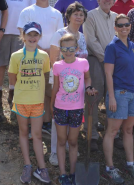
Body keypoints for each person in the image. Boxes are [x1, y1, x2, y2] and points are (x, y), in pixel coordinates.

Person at [17, 0, 64, 136]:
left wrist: (50, 52)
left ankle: (46, 123)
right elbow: (23, 33)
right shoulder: (27, 11)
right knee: (33, 91)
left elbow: (60, 37)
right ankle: (31, 125)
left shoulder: (56, 13)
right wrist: (39, 50)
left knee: (48, 92)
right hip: (31, 58)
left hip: (52, 58)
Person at [102, 14, 134, 183]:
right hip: (118, 94)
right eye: (120, 25)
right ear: (115, 28)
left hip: (133, 94)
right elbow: (108, 73)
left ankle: (129, 163)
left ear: (130, 26)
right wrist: (111, 97)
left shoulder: (133, 45)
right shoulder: (112, 47)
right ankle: (109, 168)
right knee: (112, 131)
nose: (124, 27)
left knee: (128, 130)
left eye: (126, 24)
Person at [50, 33, 97, 185]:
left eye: (71, 48)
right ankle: (63, 173)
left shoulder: (83, 63)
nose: (68, 51)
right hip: (60, 108)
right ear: (61, 50)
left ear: (77, 48)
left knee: (73, 140)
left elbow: (88, 78)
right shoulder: (57, 65)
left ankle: (73, 172)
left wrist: (89, 87)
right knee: (62, 140)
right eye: (64, 49)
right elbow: (56, 87)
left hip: (77, 108)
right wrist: (51, 105)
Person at [8, 22, 51, 184]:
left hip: (38, 102)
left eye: (35, 35)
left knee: (38, 134)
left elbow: (45, 76)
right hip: (21, 102)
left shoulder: (44, 56)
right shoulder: (16, 56)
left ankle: (42, 168)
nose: (32, 38)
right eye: (29, 34)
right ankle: (27, 165)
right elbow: (13, 78)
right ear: (23, 36)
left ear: (39, 37)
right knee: (24, 132)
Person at [48, 1, 88, 166]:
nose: (78, 17)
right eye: (75, 14)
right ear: (69, 16)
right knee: (58, 120)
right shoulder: (59, 34)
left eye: (81, 14)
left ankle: (71, 147)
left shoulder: (83, 37)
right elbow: (53, 59)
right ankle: (55, 152)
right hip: (61, 80)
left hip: (78, 83)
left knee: (74, 116)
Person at [83, 0, 117, 151]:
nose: (107, 0)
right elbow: (91, 41)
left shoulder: (116, 18)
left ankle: (113, 133)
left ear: (113, 1)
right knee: (93, 98)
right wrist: (107, 59)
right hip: (96, 60)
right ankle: (91, 135)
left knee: (113, 97)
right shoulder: (90, 15)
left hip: (113, 63)